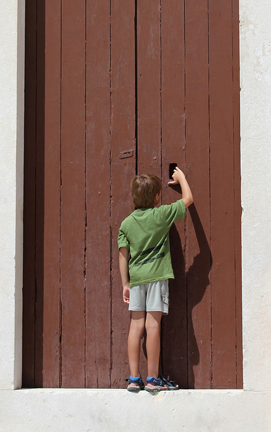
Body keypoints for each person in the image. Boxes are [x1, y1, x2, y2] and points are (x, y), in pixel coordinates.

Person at [117, 166, 193, 393]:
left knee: (136, 325)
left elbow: (123, 255)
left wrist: (126, 283)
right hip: (157, 277)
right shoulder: (161, 215)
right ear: (157, 197)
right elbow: (188, 199)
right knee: (153, 325)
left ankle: (133, 378)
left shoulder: (126, 224)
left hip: (137, 279)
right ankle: (152, 379)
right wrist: (181, 178)